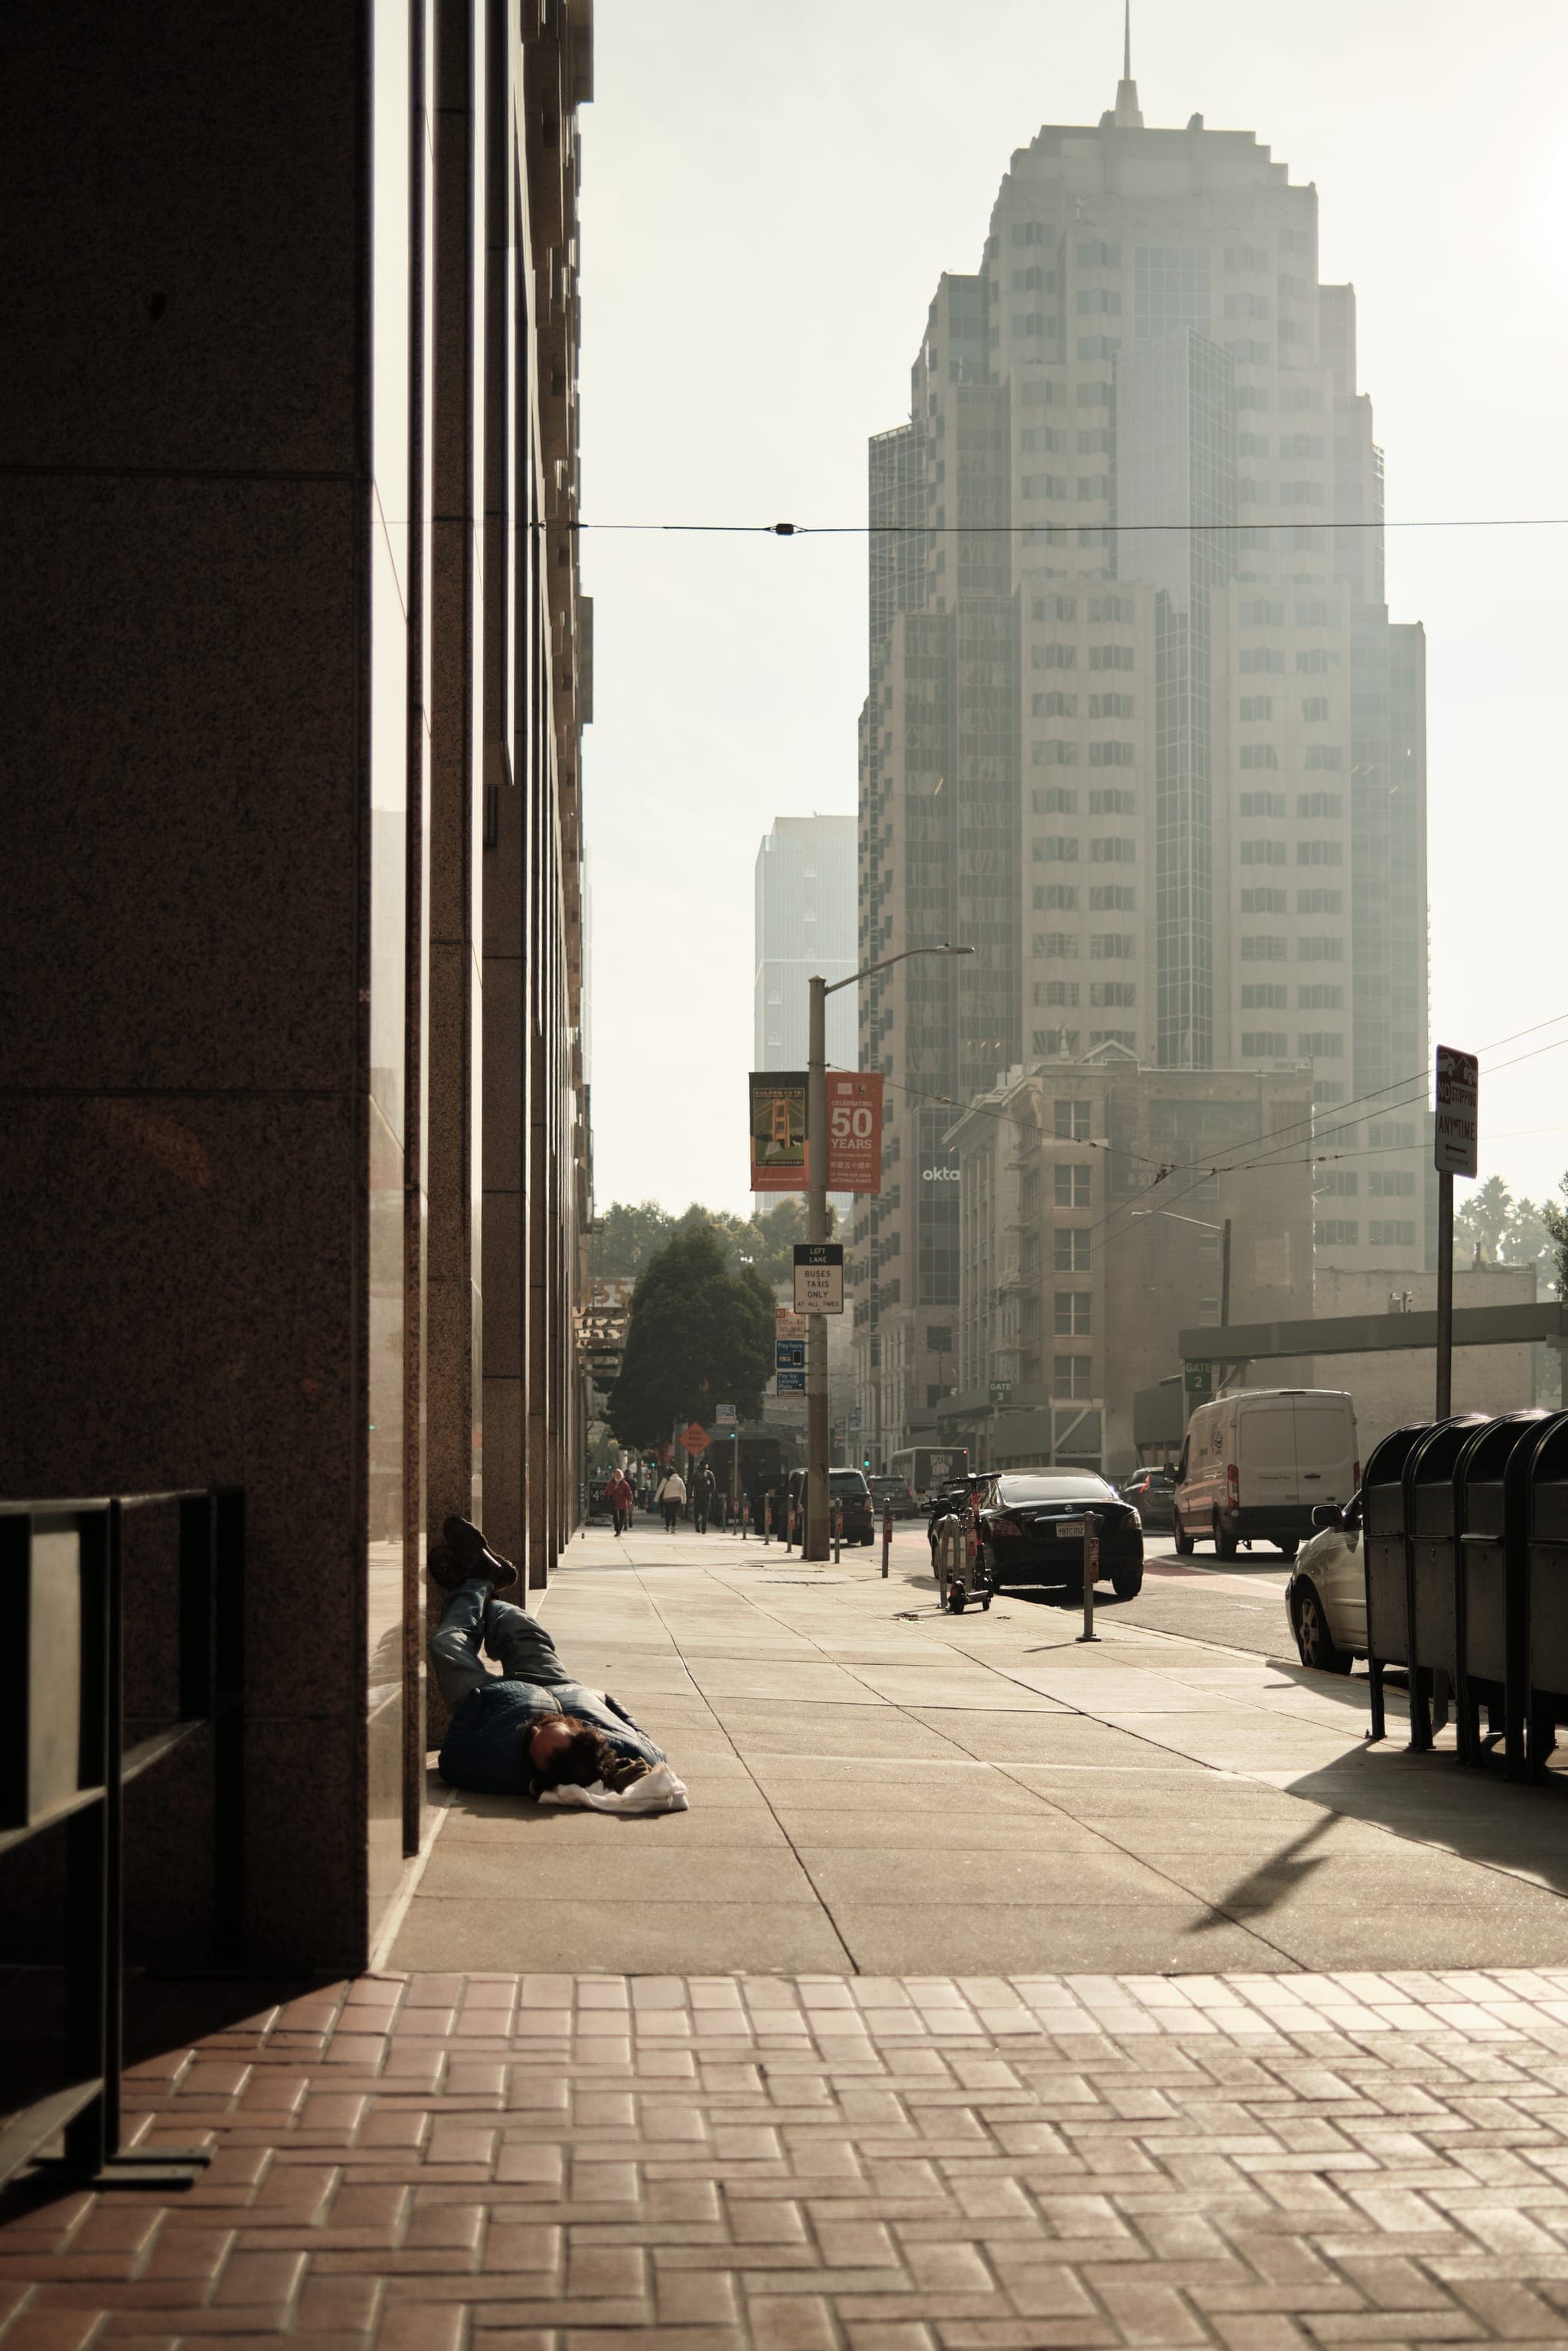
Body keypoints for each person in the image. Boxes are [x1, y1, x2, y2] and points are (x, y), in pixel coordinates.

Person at [427, 1517, 665, 1798]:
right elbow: (623, 1716)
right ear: (582, 1733)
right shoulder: (634, 1752)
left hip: (491, 1699)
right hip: (559, 1683)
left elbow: (452, 1761)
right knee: (516, 1623)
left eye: (532, 1740)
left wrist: (477, 1702)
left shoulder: (502, 1767)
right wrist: (597, 1697)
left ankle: (477, 1580)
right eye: (550, 1728)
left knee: (446, 1643)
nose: (537, 1730)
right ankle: (481, 1583)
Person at [655, 1467, 686, 1531]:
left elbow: (660, 1489)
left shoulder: (665, 1480)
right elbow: (683, 1490)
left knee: (668, 1513)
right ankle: (673, 1527)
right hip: (677, 1499)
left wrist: (656, 1499)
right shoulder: (679, 1480)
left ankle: (667, 1526)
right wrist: (684, 1500)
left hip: (667, 1499)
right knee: (674, 1513)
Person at [605, 1467, 633, 1536]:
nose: (618, 1476)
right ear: (614, 1475)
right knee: (615, 1517)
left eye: (619, 1475)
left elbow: (629, 1493)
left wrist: (630, 1501)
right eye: (617, 1474)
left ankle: (620, 1528)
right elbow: (607, 1492)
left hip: (622, 1503)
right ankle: (617, 1531)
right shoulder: (611, 1483)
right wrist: (614, 1489)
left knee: (622, 1518)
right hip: (614, 1503)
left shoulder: (624, 1484)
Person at [691, 1458, 717, 1534]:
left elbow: (691, 1485)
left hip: (698, 1495)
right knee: (705, 1512)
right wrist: (710, 1492)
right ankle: (704, 1528)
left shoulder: (695, 1474)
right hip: (706, 1495)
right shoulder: (709, 1474)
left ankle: (698, 1525)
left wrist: (691, 1495)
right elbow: (713, 1485)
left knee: (697, 1512)